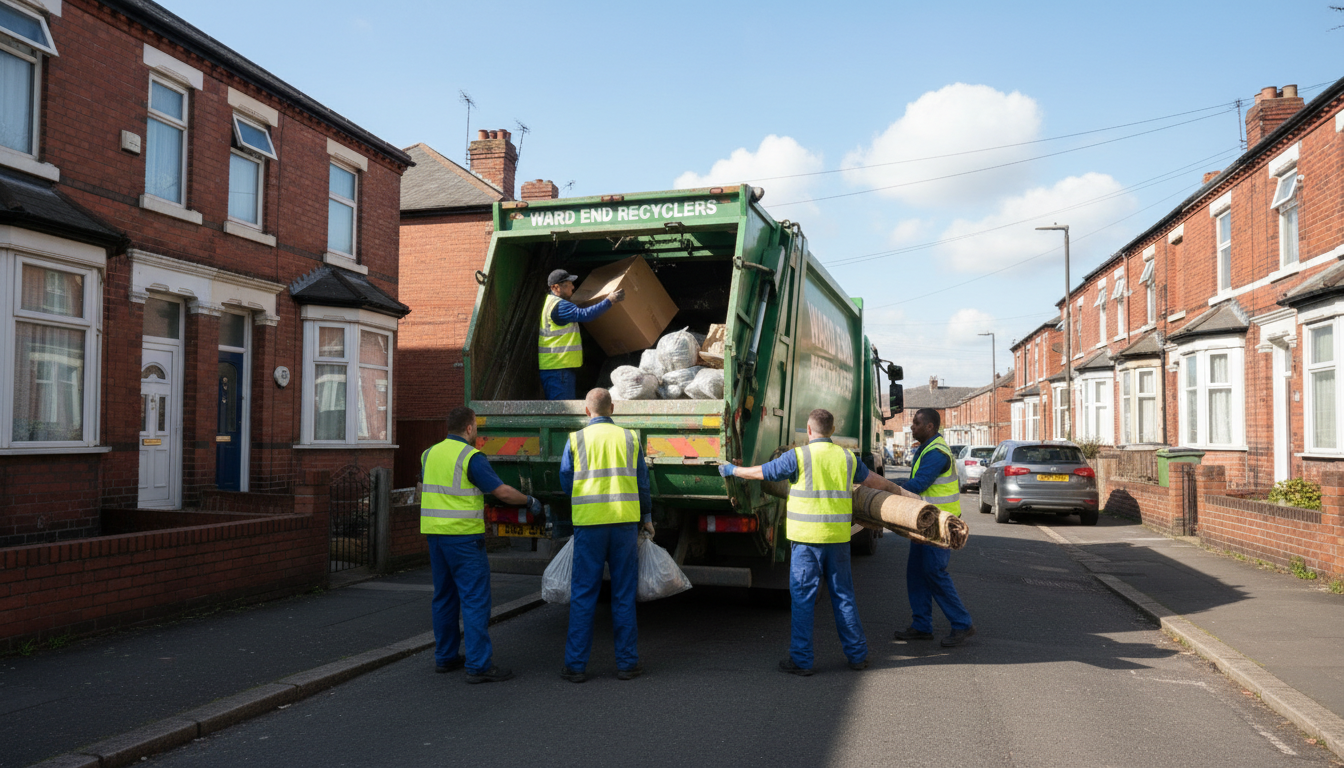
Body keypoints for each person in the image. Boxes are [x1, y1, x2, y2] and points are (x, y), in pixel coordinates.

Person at [720, 408, 895, 676]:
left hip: (805, 542)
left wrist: (734, 470)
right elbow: (874, 481)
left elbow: (763, 473)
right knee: (844, 597)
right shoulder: (847, 458)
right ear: (833, 431)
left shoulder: (799, 456)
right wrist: (900, 491)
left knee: (803, 600)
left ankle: (802, 660)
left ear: (809, 430)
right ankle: (857, 656)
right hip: (837, 540)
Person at [421, 406, 542, 683]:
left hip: (435, 537)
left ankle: (446, 657)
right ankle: (478, 665)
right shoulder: (471, 457)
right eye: (476, 427)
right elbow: (501, 492)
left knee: (444, 598)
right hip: (463, 538)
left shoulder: (428, 454)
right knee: (475, 601)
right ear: (469, 428)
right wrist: (529, 501)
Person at [558, 388, 654, 682]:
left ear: (587, 411)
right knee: (623, 595)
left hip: (589, 525)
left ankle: (576, 666)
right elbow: (642, 482)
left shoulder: (575, 440)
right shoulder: (630, 438)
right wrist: (647, 517)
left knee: (584, 595)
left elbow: (566, 479)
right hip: (624, 524)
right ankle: (627, 664)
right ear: (612, 408)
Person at [892, 408, 976, 648]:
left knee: (934, 572)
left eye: (916, 423)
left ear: (930, 426)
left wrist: (885, 486)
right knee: (917, 573)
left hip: (940, 524)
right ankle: (921, 625)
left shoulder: (937, 453)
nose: (911, 427)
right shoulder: (927, 447)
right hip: (926, 521)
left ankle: (962, 623)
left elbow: (918, 485)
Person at [539, 269, 625, 400]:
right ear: (555, 287)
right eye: (568, 284)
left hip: (557, 367)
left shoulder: (551, 303)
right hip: (559, 368)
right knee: (562, 412)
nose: (573, 287)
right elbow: (585, 315)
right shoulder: (560, 306)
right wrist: (610, 300)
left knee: (560, 408)